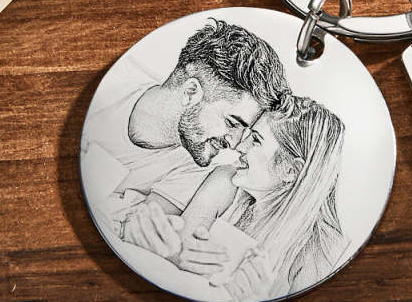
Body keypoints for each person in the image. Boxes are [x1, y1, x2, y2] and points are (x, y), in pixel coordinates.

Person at [123, 95, 349, 302]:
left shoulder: (323, 249)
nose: (240, 146)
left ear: (291, 171)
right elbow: (179, 250)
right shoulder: (228, 178)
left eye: (256, 140)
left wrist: (254, 301)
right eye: (248, 135)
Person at [81, 19, 290, 234]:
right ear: (191, 92)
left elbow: (137, 234)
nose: (235, 144)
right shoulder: (105, 84)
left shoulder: (198, 166)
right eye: (232, 123)